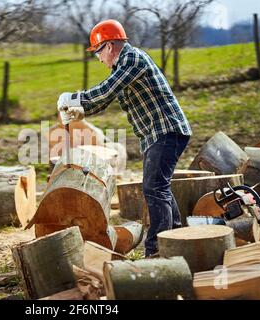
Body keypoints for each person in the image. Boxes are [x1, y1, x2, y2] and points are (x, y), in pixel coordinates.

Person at [57, 19, 192, 257]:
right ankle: (177, 238)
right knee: (160, 187)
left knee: (154, 188)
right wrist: (81, 111)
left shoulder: (132, 58)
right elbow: (107, 98)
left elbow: (108, 88)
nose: (98, 58)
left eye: (98, 51)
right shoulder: (122, 67)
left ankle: (157, 250)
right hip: (155, 133)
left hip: (166, 130)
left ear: (109, 46)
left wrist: (75, 97)